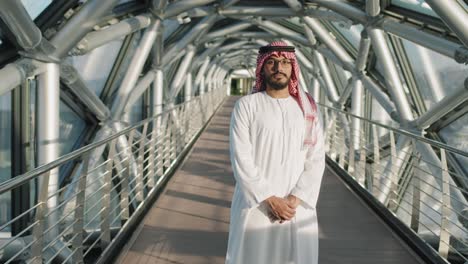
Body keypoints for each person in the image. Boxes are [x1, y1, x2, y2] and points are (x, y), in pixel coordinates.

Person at [225, 41, 326, 264]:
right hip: (257, 206)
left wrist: (294, 199)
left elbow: (316, 158)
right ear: (262, 68)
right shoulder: (246, 105)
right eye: (271, 62)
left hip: (296, 207)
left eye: (284, 63)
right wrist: (270, 199)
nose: (278, 68)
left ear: (292, 69)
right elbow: (241, 157)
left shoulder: (307, 107)